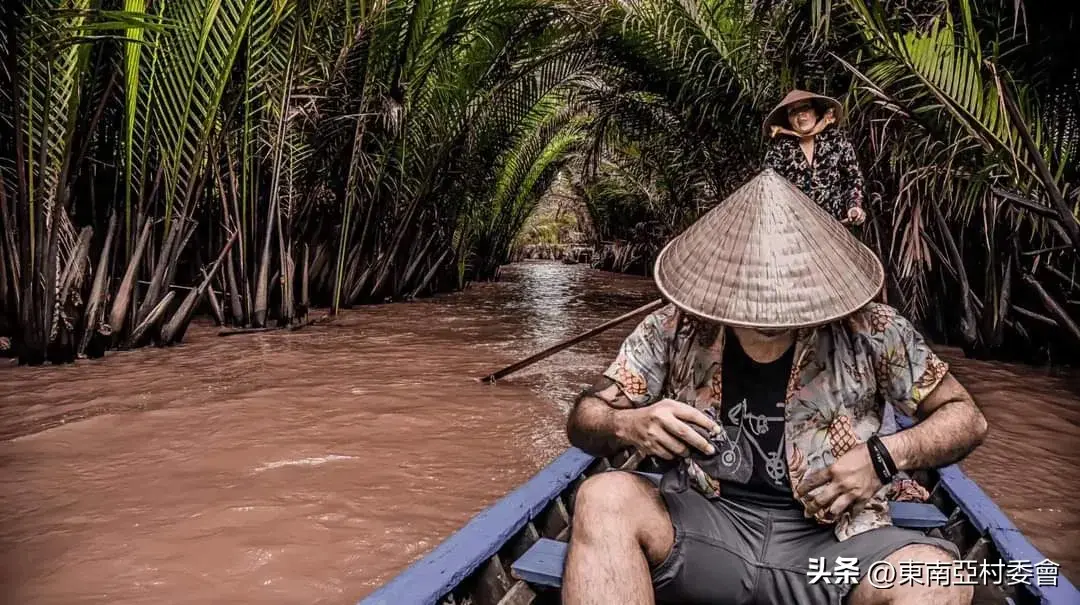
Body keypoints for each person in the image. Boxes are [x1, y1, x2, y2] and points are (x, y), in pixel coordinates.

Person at [561, 169, 988, 605]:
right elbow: (584, 418)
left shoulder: (874, 329)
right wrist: (629, 424)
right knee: (602, 495)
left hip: (835, 544)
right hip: (707, 526)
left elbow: (966, 418)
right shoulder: (673, 327)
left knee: (935, 577)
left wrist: (883, 457)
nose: (767, 313)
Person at [763, 89, 867, 228]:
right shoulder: (779, 149)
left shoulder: (836, 140)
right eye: (793, 111)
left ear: (816, 112)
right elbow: (768, 189)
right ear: (788, 120)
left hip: (836, 226)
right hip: (796, 230)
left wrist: (854, 206)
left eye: (805, 107)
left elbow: (853, 178)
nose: (801, 114)